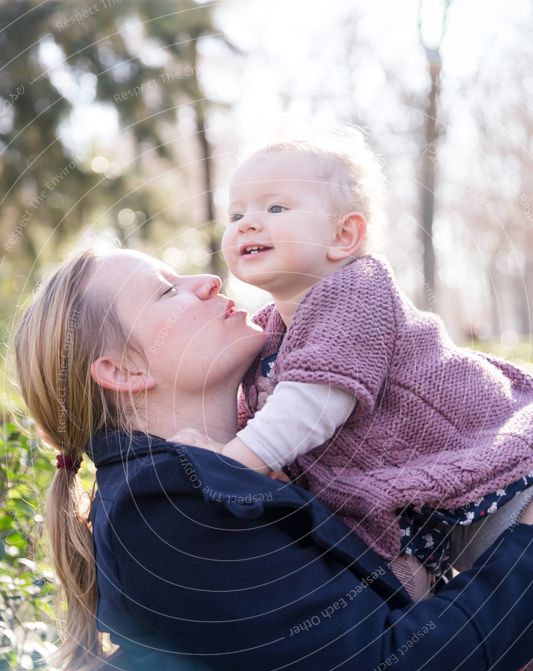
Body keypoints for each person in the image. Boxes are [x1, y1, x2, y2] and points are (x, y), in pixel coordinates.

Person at [14, 246, 533, 671]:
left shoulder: (257, 462)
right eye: (166, 290)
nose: (208, 279)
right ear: (124, 370)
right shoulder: (161, 513)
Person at [217, 126, 533, 601]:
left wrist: (226, 466)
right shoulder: (270, 332)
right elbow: (265, 409)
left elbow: (311, 405)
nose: (247, 223)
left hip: (500, 470)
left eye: (275, 208)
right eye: (236, 213)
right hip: (430, 510)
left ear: (345, 235)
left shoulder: (356, 293)